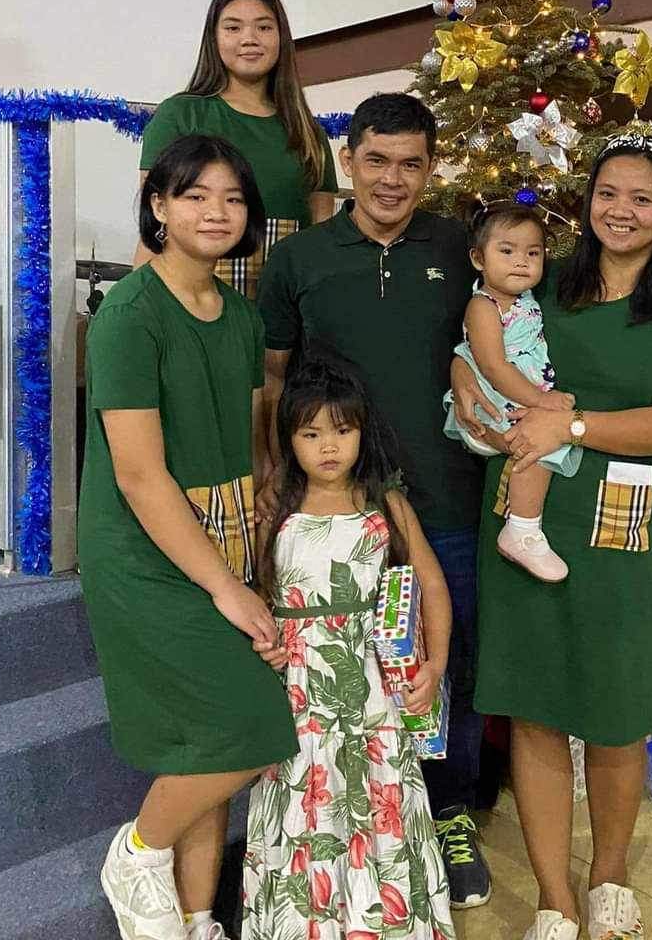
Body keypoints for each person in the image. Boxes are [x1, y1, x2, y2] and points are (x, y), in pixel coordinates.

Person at [451, 131, 652, 940]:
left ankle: (608, 873)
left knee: (613, 709)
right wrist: (468, 378)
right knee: (534, 709)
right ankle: (553, 896)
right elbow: (482, 338)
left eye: (643, 198)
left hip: (620, 525)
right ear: (588, 200)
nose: (622, 211)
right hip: (524, 519)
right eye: (609, 193)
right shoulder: (547, 283)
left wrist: (570, 418)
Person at [256, 93, 493, 909]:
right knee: (346, 671)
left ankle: (448, 808)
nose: (393, 179)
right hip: (338, 506)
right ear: (348, 159)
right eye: (377, 160)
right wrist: (273, 477)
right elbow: (278, 381)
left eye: (411, 163)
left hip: (449, 497)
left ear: (430, 168)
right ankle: (340, 814)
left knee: (446, 661)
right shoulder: (300, 261)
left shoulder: (462, 247)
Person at [78, 134, 297, 940]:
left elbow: (243, 441)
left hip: (226, 531)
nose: (216, 211)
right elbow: (139, 475)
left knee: (201, 745)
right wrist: (224, 584)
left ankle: (199, 918)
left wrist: (253, 551)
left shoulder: (240, 315)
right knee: (250, 726)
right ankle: (137, 851)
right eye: (195, 195)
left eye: (232, 199)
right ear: (159, 208)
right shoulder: (129, 316)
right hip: (146, 550)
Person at [243, 352, 456, 940]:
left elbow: (433, 587)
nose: (328, 447)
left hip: (376, 703)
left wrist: (435, 666)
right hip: (300, 704)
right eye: (310, 433)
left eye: (342, 430)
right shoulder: (274, 512)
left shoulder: (385, 506)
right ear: (289, 438)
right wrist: (263, 644)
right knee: (302, 812)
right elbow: (257, 597)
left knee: (380, 813)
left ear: (363, 431)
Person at [135, 0, 338, 296]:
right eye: (233, 27)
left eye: (264, 27)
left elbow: (321, 237)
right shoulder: (179, 115)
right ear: (213, 38)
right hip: (190, 297)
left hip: (285, 304)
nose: (249, 38)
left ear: (282, 38)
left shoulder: (308, 132)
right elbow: (154, 224)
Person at [443, 201, 580, 583]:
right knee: (535, 445)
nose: (521, 262)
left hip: (517, 394)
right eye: (507, 251)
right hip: (492, 400)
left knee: (544, 440)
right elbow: (493, 366)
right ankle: (522, 527)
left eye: (532, 253)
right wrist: (541, 400)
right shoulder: (483, 306)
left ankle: (524, 525)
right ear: (478, 258)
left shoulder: (523, 299)